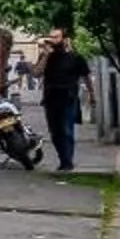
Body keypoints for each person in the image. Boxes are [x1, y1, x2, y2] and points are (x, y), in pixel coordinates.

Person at [41, 26, 89, 173]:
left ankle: (67, 162)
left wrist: (92, 96)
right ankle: (63, 159)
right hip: (51, 99)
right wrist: (45, 56)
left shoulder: (75, 58)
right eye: (51, 37)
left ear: (64, 39)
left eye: (57, 37)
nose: (54, 41)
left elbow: (86, 76)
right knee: (55, 132)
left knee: (66, 130)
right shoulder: (48, 57)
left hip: (68, 98)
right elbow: (36, 73)